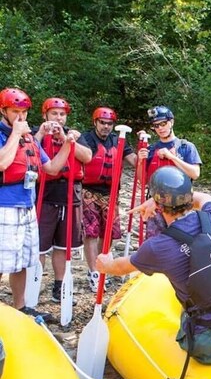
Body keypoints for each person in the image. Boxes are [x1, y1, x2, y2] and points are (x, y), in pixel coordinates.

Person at [95, 166, 211, 366]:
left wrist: (105, 264)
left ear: (159, 206)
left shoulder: (157, 247)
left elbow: (120, 268)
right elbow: (204, 198)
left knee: (187, 300)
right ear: (189, 196)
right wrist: (163, 199)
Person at [0, 87, 75, 320]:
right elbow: (2, 164)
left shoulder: (29, 138)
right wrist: (15, 133)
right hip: (4, 206)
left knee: (21, 261)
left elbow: (51, 168)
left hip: (26, 205)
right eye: (15, 111)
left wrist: (68, 145)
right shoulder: (8, 134)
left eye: (23, 111)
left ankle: (20, 307)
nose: (20, 117)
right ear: (3, 111)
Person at [34, 98, 92, 303]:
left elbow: (87, 157)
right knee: (39, 245)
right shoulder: (36, 133)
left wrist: (69, 141)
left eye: (62, 114)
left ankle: (59, 287)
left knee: (62, 246)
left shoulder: (73, 135)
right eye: (54, 114)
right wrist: (41, 133)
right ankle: (33, 285)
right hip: (45, 195)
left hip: (70, 196)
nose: (58, 118)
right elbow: (30, 152)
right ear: (45, 116)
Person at [78, 106, 137, 292]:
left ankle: (102, 263)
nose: (106, 127)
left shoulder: (118, 139)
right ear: (95, 122)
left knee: (108, 232)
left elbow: (134, 161)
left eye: (109, 123)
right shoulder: (86, 138)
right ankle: (94, 271)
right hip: (88, 191)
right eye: (102, 123)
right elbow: (84, 157)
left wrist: (144, 152)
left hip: (111, 193)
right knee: (91, 232)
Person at [138, 106, 202, 238]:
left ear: (171, 122)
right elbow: (143, 181)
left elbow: (195, 173)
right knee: (155, 245)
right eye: (156, 125)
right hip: (155, 206)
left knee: (182, 245)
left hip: (182, 205)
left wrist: (172, 157)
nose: (160, 128)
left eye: (163, 123)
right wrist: (140, 162)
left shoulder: (186, 147)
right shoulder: (150, 150)